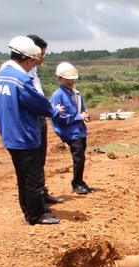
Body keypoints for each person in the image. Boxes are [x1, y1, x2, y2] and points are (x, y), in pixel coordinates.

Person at [0, 36, 64, 225]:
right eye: (34, 61)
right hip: (24, 134)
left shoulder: (1, 76)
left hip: (9, 134)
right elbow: (39, 104)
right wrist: (54, 111)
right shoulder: (21, 79)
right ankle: (36, 215)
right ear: (29, 59)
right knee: (33, 177)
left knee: (22, 176)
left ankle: (28, 211)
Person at [27, 34, 65, 206]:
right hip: (33, 120)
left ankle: (42, 193)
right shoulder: (24, 73)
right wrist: (51, 110)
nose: (42, 57)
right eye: (41, 54)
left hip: (40, 118)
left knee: (40, 159)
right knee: (33, 163)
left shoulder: (33, 71)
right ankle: (36, 202)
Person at [50, 62, 96, 195]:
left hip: (80, 130)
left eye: (72, 80)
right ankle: (76, 184)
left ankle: (80, 182)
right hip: (69, 132)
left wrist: (85, 116)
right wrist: (78, 118)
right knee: (78, 157)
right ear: (59, 79)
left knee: (81, 156)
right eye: (67, 80)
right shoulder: (57, 96)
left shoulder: (76, 94)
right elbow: (57, 116)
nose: (71, 82)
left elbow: (81, 111)